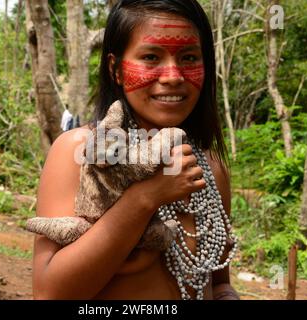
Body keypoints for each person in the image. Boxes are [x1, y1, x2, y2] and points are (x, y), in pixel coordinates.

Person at [33, 0, 240, 300]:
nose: (173, 76)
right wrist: (147, 197)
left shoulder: (209, 167)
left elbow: (218, 282)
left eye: (189, 57)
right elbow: (49, 293)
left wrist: (227, 296)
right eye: (151, 57)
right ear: (116, 70)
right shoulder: (78, 151)